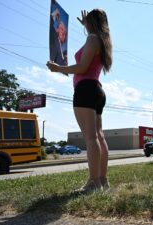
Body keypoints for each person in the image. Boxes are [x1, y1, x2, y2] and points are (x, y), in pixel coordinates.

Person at [47, 9, 112, 194]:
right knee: (99, 137)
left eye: (87, 22)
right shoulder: (101, 39)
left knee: (91, 138)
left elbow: (82, 67)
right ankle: (102, 181)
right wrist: (86, 24)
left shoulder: (92, 39)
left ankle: (93, 183)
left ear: (91, 22)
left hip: (85, 90)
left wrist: (59, 68)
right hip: (96, 90)